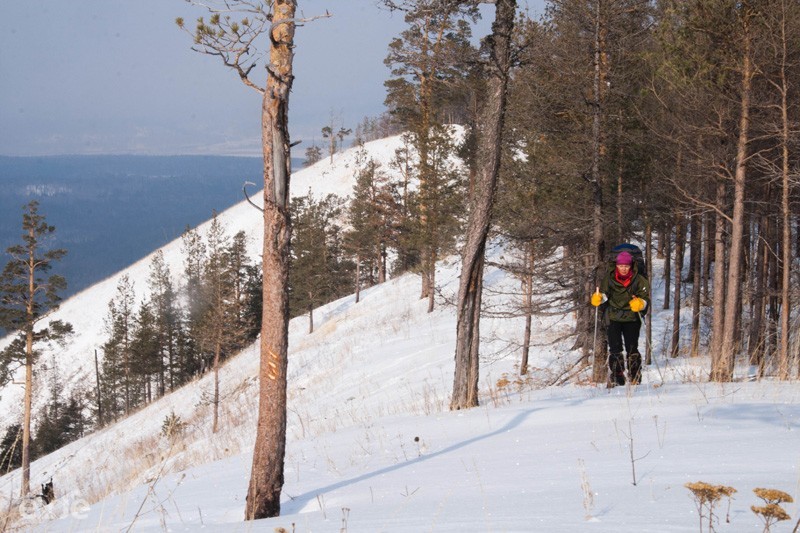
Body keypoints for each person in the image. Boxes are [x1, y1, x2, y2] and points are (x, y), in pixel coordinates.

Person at [591, 250, 650, 386]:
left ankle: (635, 376)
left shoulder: (639, 280)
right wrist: (598, 299)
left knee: (632, 347)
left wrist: (641, 304)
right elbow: (604, 295)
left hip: (632, 317)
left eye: (626, 266)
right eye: (621, 266)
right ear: (617, 266)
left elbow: (645, 297)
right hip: (613, 317)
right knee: (615, 348)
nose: (623, 269)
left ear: (631, 266)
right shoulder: (609, 278)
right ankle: (618, 377)